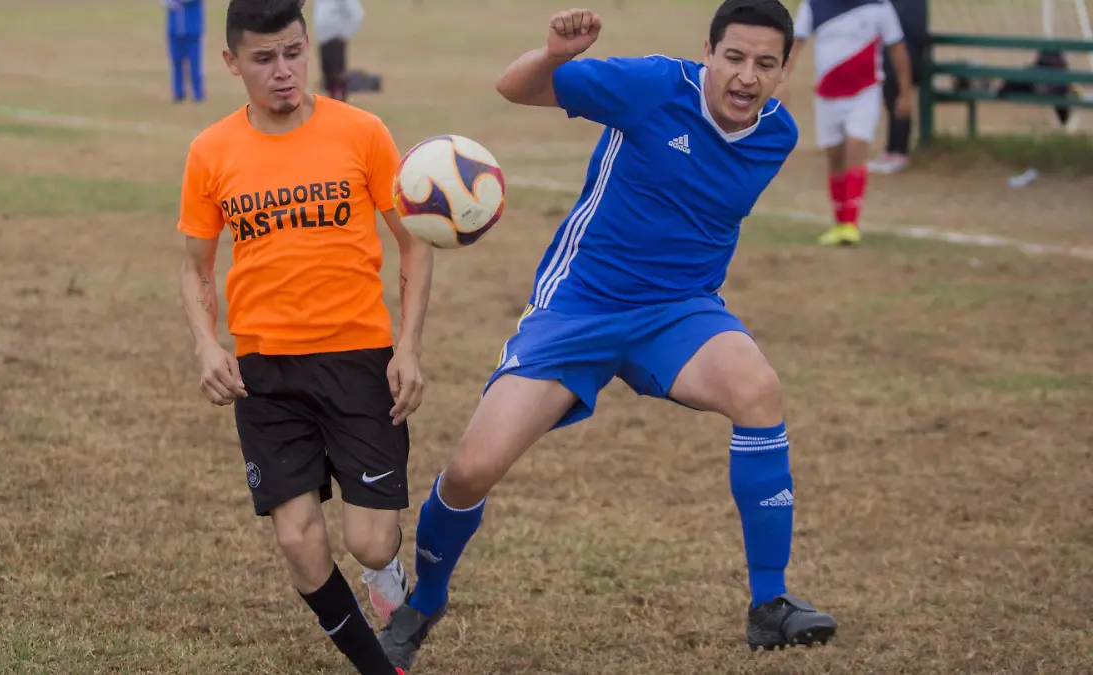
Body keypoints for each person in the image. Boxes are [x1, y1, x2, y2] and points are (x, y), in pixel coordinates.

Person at [378, 2, 838, 669]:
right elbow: (516, 87)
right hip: (581, 308)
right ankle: (425, 602)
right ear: (705, 50)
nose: (747, 77)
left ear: (785, 69)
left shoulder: (777, 135)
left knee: (758, 391)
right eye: (734, 58)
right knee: (473, 467)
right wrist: (556, 55)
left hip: (680, 311)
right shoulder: (651, 86)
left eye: (766, 64)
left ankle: (770, 603)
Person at [175, 1, 434, 672]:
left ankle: (387, 573)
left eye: (294, 52)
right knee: (297, 539)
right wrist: (208, 343)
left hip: (358, 358)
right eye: (264, 59)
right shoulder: (211, 151)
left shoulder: (363, 132)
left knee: (371, 542)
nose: (284, 72)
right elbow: (194, 265)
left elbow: (415, 245)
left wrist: (407, 346)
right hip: (265, 369)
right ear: (232, 62)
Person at [777, 0, 914, 246]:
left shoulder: (879, 6)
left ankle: (851, 223)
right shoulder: (813, 6)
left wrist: (905, 93)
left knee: (855, 144)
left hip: (865, 92)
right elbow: (796, 43)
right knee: (835, 156)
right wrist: (782, 79)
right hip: (827, 95)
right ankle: (840, 222)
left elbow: (897, 48)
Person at [869, 0, 927, 174]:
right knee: (890, 94)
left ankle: (900, 151)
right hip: (892, 44)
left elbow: (911, 26)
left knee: (900, 93)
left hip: (907, 45)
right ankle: (891, 149)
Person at [310, 0, 366, 101]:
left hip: (335, 40)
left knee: (338, 77)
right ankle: (333, 105)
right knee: (328, 78)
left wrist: (345, 35)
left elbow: (357, 14)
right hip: (323, 40)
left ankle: (341, 105)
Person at [163, 0, 206, 103]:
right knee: (176, 62)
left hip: (192, 30)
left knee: (194, 63)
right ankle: (178, 93)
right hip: (175, 30)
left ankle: (198, 93)